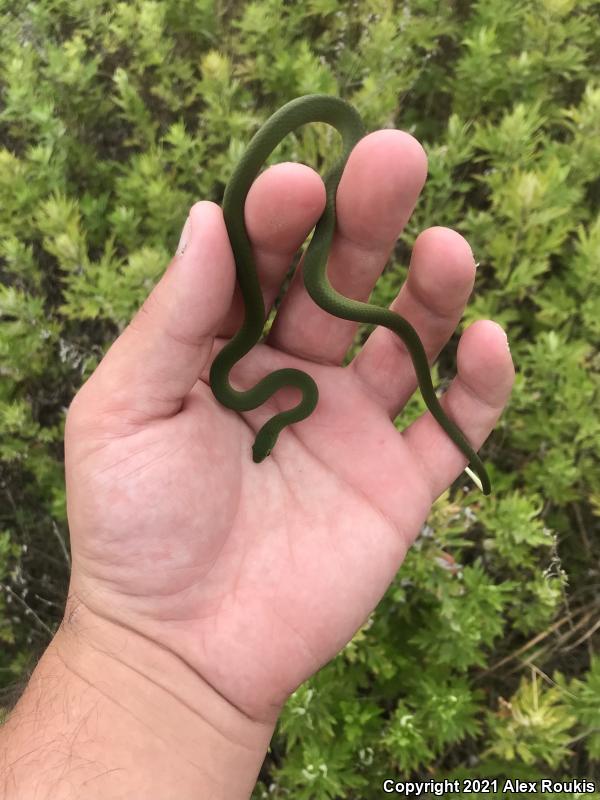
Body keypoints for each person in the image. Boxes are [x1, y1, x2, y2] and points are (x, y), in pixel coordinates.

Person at [0, 128, 514, 798]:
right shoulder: (263, 392)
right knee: (307, 205)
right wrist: (146, 652)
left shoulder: (270, 391)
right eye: (267, 441)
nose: (264, 440)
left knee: (338, 193)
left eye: (265, 439)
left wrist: (136, 661)